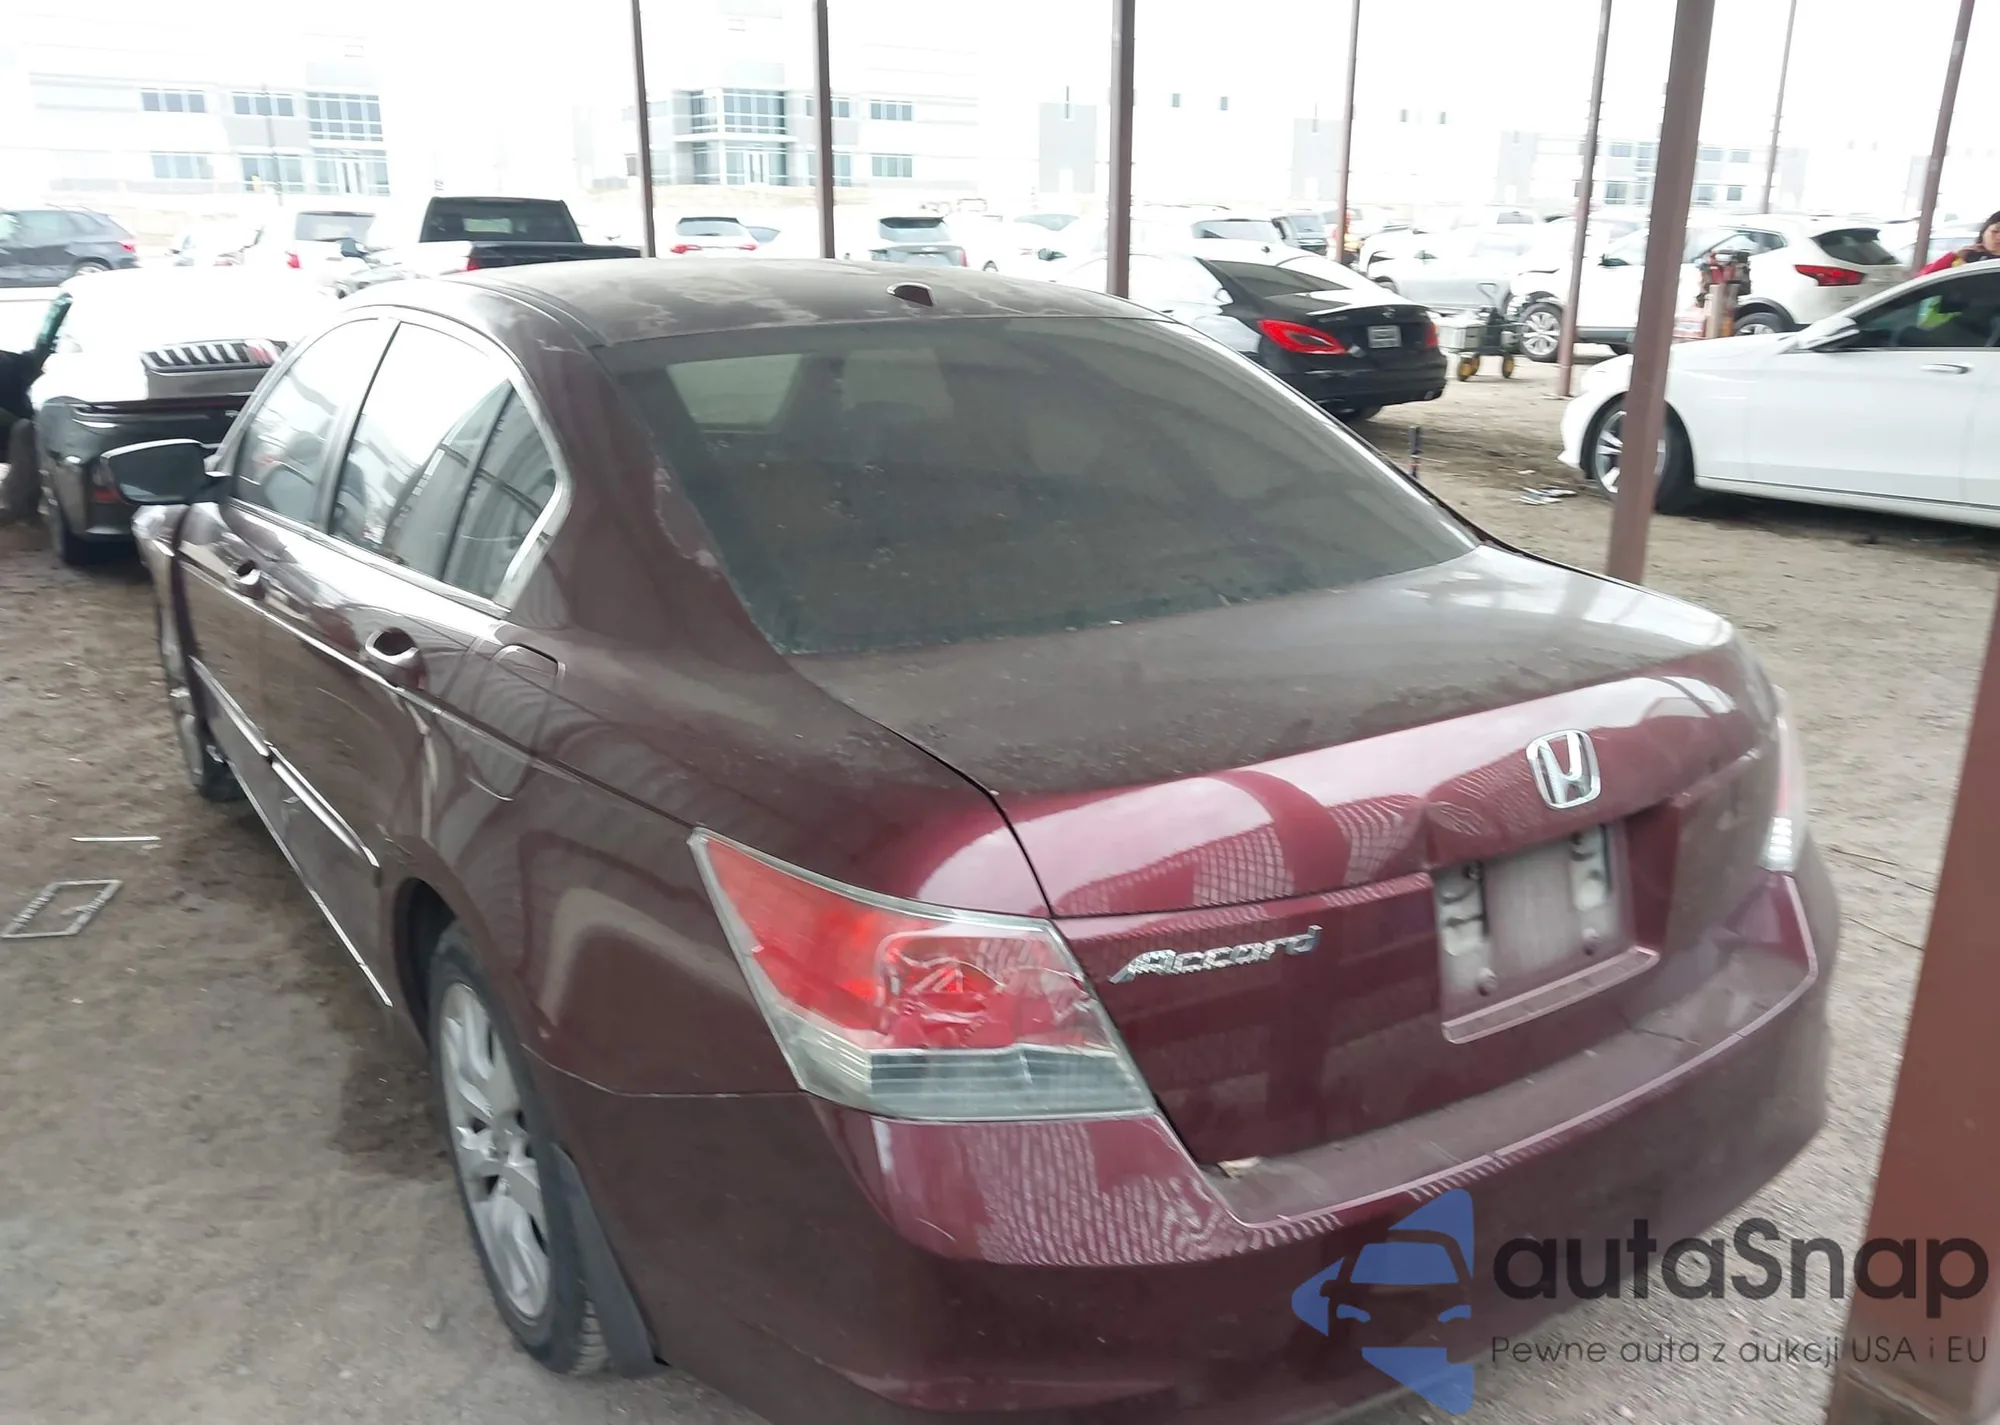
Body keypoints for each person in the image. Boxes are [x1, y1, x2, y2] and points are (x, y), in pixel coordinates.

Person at [1919, 211, 2000, 275]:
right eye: (1995, 231)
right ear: (1983, 233)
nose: (1998, 237)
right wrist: (1953, 257)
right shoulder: (1965, 258)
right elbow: (1923, 280)